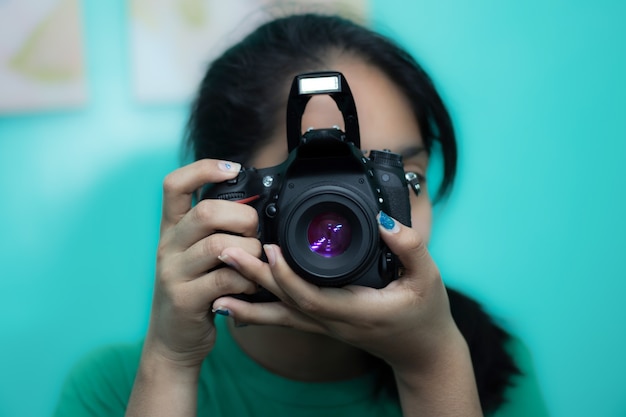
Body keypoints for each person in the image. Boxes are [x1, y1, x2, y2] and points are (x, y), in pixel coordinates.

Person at [54, 13, 548, 417]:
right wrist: (170, 363)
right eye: (317, 190)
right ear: (224, 198)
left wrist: (433, 364)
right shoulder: (115, 389)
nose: (356, 218)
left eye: (404, 180)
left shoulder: (489, 364)